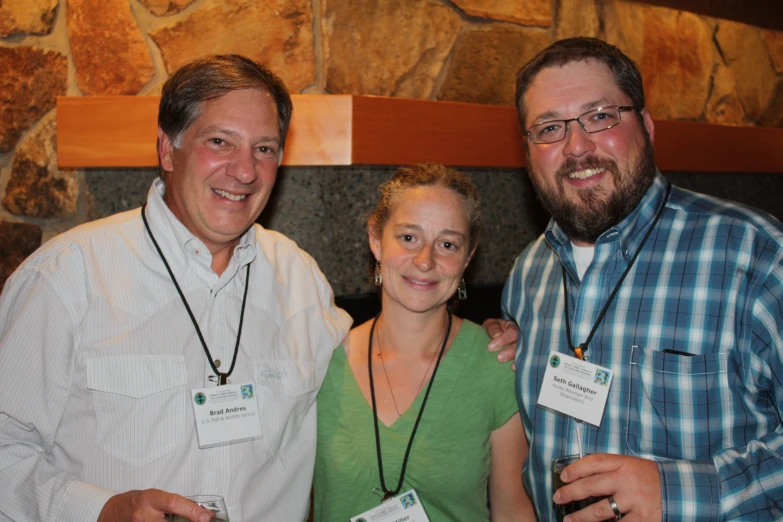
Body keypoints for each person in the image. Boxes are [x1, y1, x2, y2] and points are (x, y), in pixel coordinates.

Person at [0, 55, 352, 521]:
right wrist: (101, 510)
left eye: (264, 148)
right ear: (168, 149)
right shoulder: (66, 277)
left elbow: (381, 375)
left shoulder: (302, 277)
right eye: (220, 141)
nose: (245, 171)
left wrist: (479, 347)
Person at [496, 37, 783, 521]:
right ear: (528, 151)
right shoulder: (528, 274)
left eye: (601, 116)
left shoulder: (754, 254)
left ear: (646, 127)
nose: (577, 146)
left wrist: (679, 490)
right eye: (549, 128)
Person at [313, 164, 535, 521]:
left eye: (447, 244)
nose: (425, 260)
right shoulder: (320, 359)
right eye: (408, 238)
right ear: (375, 239)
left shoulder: (496, 365)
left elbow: (514, 512)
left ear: (468, 257)